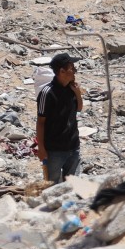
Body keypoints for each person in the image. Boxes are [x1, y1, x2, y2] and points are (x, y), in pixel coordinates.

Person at [35, 52, 84, 183]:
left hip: (73, 146)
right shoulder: (47, 93)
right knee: (53, 186)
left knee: (73, 185)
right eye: (72, 68)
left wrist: (78, 93)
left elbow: (78, 109)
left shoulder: (71, 89)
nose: (74, 71)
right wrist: (41, 149)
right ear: (62, 71)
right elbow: (40, 122)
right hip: (54, 150)